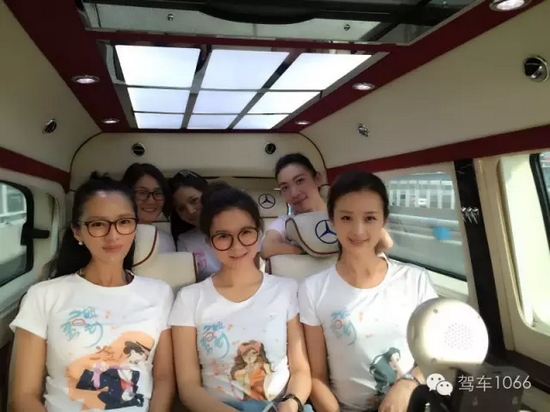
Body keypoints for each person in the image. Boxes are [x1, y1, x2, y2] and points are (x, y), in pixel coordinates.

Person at [9, 173, 175, 412]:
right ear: (77, 232)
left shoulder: (160, 293)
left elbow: (164, 380)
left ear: (135, 227)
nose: (113, 235)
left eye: (124, 222)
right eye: (98, 224)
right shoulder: (43, 296)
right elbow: (24, 396)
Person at [298, 170, 439, 412]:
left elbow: (437, 353)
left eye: (370, 218)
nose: (358, 230)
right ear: (332, 220)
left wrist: (408, 384)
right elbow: (317, 377)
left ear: (384, 220)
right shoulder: (312, 289)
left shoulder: (415, 280)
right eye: (346, 218)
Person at [169, 183, 313, 412]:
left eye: (245, 232)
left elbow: (301, 371)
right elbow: (188, 387)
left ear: (259, 232)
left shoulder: (286, 289)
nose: (236, 246)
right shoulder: (189, 299)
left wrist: (292, 402)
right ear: (208, 240)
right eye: (223, 236)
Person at [260, 153, 393, 260]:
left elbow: (385, 243)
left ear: (317, 179)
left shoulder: (343, 214)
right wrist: (308, 250)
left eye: (300, 181)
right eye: (285, 187)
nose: (294, 193)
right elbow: (267, 248)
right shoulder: (285, 223)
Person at [169, 170, 221, 281]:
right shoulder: (185, 241)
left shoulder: (239, 227)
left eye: (194, 201)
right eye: (181, 208)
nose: (190, 211)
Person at [121, 163, 175, 253]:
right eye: (142, 193)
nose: (151, 200)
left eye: (158, 193)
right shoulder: (115, 237)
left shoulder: (165, 240)